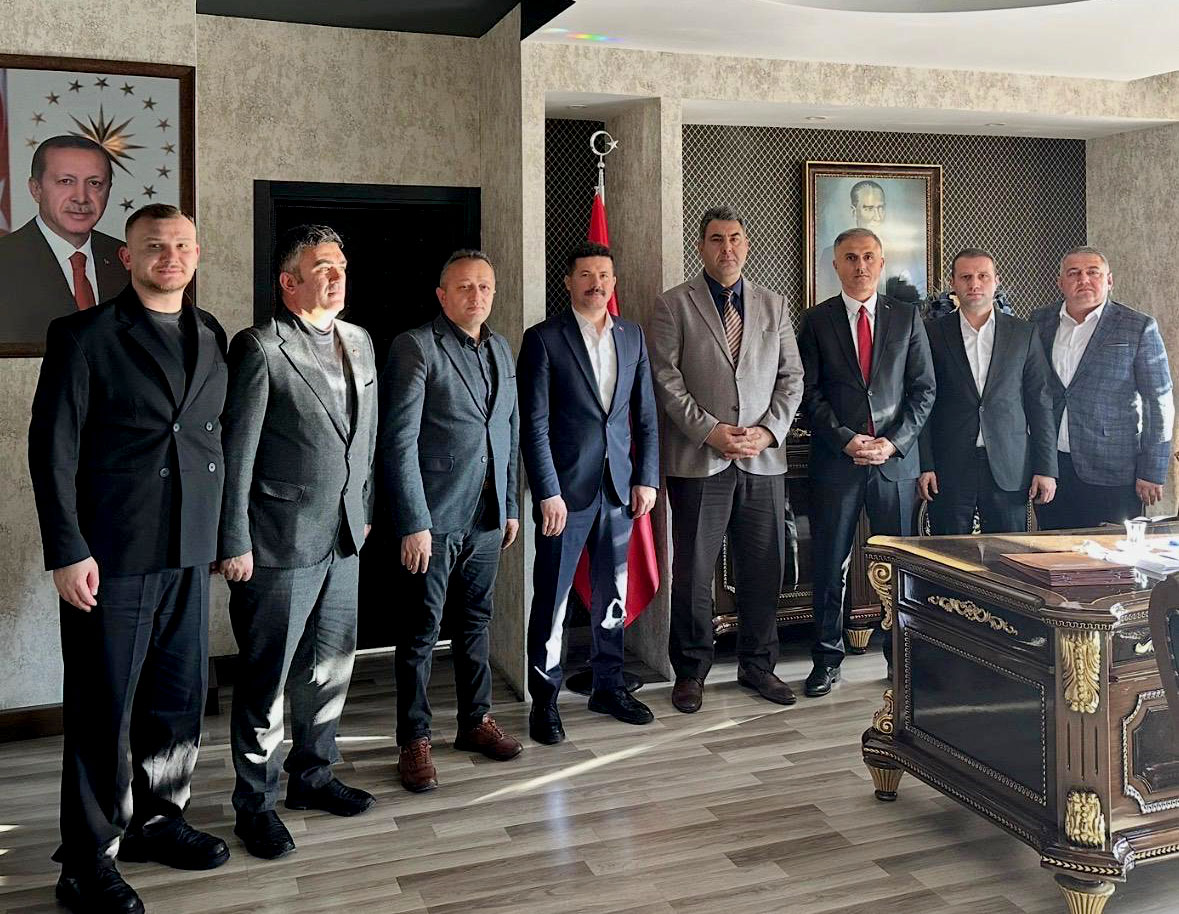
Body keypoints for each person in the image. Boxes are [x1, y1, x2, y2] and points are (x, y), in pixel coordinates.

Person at [28, 203, 229, 914]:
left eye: (181, 246)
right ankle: (86, 862)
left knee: (178, 698)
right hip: (110, 555)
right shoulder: (83, 335)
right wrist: (67, 549)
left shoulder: (211, 332)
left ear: (196, 254)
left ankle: (157, 820)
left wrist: (222, 538)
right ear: (127, 256)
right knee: (102, 709)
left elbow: (209, 441)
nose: (169, 257)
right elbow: (52, 449)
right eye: (154, 246)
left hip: (188, 549)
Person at [218, 225, 379, 860]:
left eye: (340, 265)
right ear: (289, 282)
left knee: (330, 667)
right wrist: (234, 540)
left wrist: (364, 509)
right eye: (321, 268)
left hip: (344, 537)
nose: (336, 276)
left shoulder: (360, 341)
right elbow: (238, 455)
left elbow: (363, 439)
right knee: (267, 680)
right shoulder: (259, 348)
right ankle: (253, 805)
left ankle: (312, 777)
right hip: (276, 542)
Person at [650, 206, 803, 714]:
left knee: (763, 567)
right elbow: (666, 379)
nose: (727, 248)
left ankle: (758, 665)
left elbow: (792, 377)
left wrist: (768, 431)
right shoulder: (674, 304)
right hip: (700, 459)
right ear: (701, 247)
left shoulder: (774, 304)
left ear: (746, 244)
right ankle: (691, 671)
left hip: (762, 460)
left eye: (735, 238)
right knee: (694, 572)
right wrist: (712, 431)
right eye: (717, 239)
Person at [381, 249, 522, 792]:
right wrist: (413, 521)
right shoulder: (416, 346)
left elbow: (507, 431)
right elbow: (398, 441)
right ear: (442, 295)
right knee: (420, 631)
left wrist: (510, 505)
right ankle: (414, 739)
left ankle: (475, 721)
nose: (476, 296)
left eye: (484, 287)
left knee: (476, 623)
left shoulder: (501, 347)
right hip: (434, 518)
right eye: (464, 287)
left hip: (487, 516)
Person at [517, 241, 660, 743]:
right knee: (553, 599)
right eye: (585, 275)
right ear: (569, 281)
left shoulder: (632, 336)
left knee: (613, 592)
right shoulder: (543, 339)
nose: (596, 284)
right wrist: (547, 492)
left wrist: (647, 478)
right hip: (564, 494)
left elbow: (645, 416)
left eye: (603, 275)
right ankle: (545, 701)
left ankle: (608, 686)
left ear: (613, 283)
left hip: (620, 488)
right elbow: (534, 426)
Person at [798, 227, 935, 696]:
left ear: (881, 262)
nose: (860, 266)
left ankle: (901, 660)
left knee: (899, 567)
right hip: (837, 464)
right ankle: (826, 660)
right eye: (851, 258)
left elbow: (924, 390)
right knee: (829, 564)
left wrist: (892, 443)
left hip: (894, 466)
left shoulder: (907, 317)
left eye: (869, 257)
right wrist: (845, 439)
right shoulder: (816, 320)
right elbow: (808, 393)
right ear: (836, 264)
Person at [1031, 246, 1174, 529]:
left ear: (1109, 280)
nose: (1083, 279)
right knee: (1052, 549)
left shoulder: (1138, 327)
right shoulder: (1039, 322)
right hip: (1052, 467)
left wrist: (1152, 469)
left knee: (1112, 552)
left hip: (1113, 469)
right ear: (1060, 283)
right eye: (1074, 273)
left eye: (1093, 272)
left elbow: (1158, 401)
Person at [917, 249, 1057, 534]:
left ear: (996, 281)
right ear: (953, 283)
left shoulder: (1024, 333)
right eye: (966, 277)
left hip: (1009, 466)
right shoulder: (931, 333)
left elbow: (1040, 403)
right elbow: (922, 402)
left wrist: (1046, 468)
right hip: (949, 466)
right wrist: (925, 464)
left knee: (1008, 553)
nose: (975, 284)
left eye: (983, 276)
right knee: (948, 554)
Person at [0, 135, 128, 346]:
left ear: (108, 190)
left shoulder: (129, 260)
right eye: (66, 181)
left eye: (94, 183)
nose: (81, 197)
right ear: (36, 189)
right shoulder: (5, 261)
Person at [816, 180, 926, 304]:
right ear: (854, 211)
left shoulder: (905, 254)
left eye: (881, 208)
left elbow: (918, 299)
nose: (877, 216)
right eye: (869, 209)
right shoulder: (829, 255)